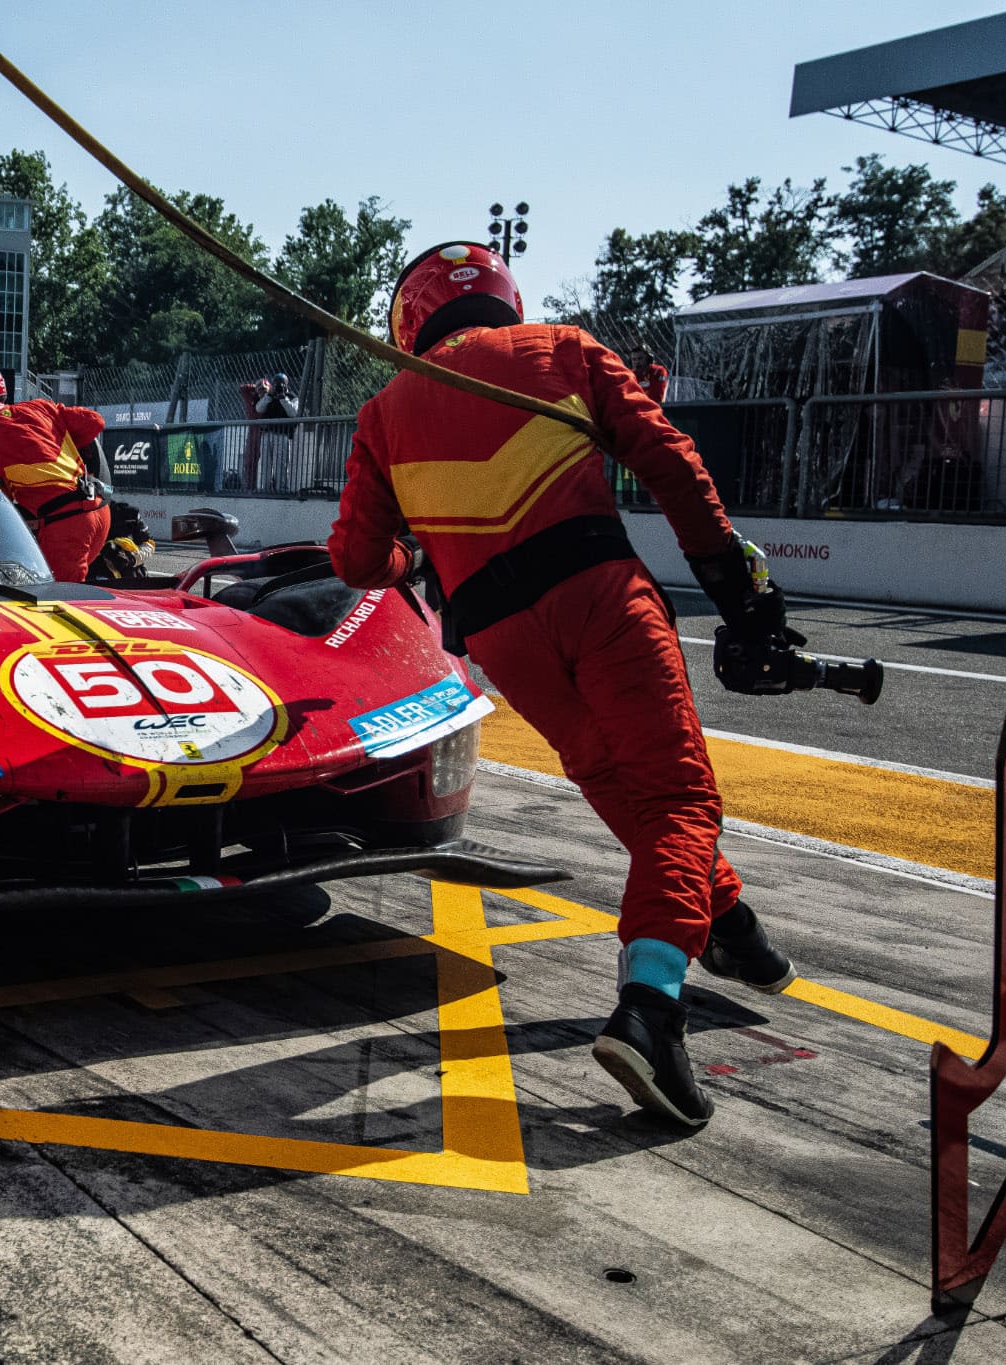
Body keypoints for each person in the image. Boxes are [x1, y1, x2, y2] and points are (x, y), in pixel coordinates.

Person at [325, 241, 798, 1129]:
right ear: (504, 298)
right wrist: (744, 599)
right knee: (682, 799)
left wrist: (417, 552)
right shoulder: (567, 349)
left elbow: (354, 558)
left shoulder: (385, 410)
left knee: (625, 789)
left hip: (505, 640)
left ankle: (731, 927)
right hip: (600, 598)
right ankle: (651, 1010)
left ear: (411, 321)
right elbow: (672, 464)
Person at [0, 359, 111, 582]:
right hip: (100, 510)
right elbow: (94, 422)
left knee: (53, 604)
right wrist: (52, 447)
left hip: (65, 524)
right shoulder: (39, 407)